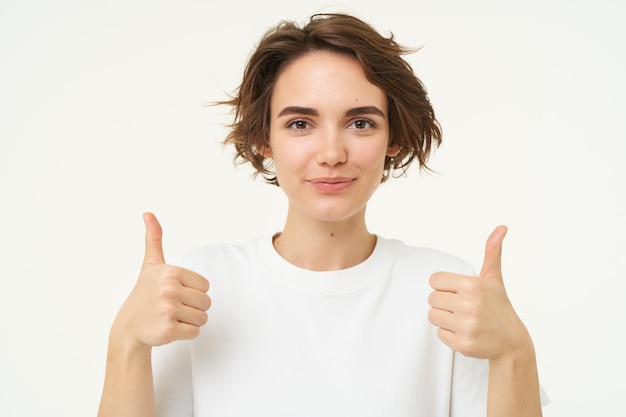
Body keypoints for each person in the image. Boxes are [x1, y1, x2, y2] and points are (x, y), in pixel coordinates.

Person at [97, 13, 546, 417]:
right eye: (300, 123)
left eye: (361, 122)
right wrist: (126, 344)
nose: (331, 153)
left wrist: (515, 353)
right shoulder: (198, 286)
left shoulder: (445, 289)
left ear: (393, 137)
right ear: (264, 140)